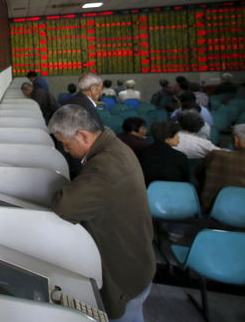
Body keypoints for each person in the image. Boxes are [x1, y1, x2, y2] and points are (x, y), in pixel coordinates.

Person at [49, 105, 155, 322]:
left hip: (125, 276)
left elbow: (65, 207)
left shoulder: (106, 166)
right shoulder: (112, 146)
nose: (65, 150)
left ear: (82, 135)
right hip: (137, 263)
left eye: (66, 144)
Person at [137, 121, 189, 186]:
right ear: (167, 138)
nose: (178, 137)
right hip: (174, 192)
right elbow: (185, 182)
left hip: (147, 192)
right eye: (176, 134)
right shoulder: (180, 157)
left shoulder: (142, 152)